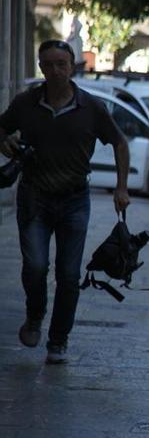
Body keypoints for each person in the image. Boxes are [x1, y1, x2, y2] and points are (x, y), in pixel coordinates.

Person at [0, 39, 130, 364]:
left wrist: (122, 187)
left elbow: (120, 142)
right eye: (49, 64)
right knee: (35, 266)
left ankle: (58, 340)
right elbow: (1, 129)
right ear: (41, 68)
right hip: (34, 198)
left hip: (75, 199)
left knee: (69, 274)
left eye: (62, 64)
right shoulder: (26, 103)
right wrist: (8, 146)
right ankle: (35, 315)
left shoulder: (92, 108)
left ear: (72, 67)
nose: (56, 71)